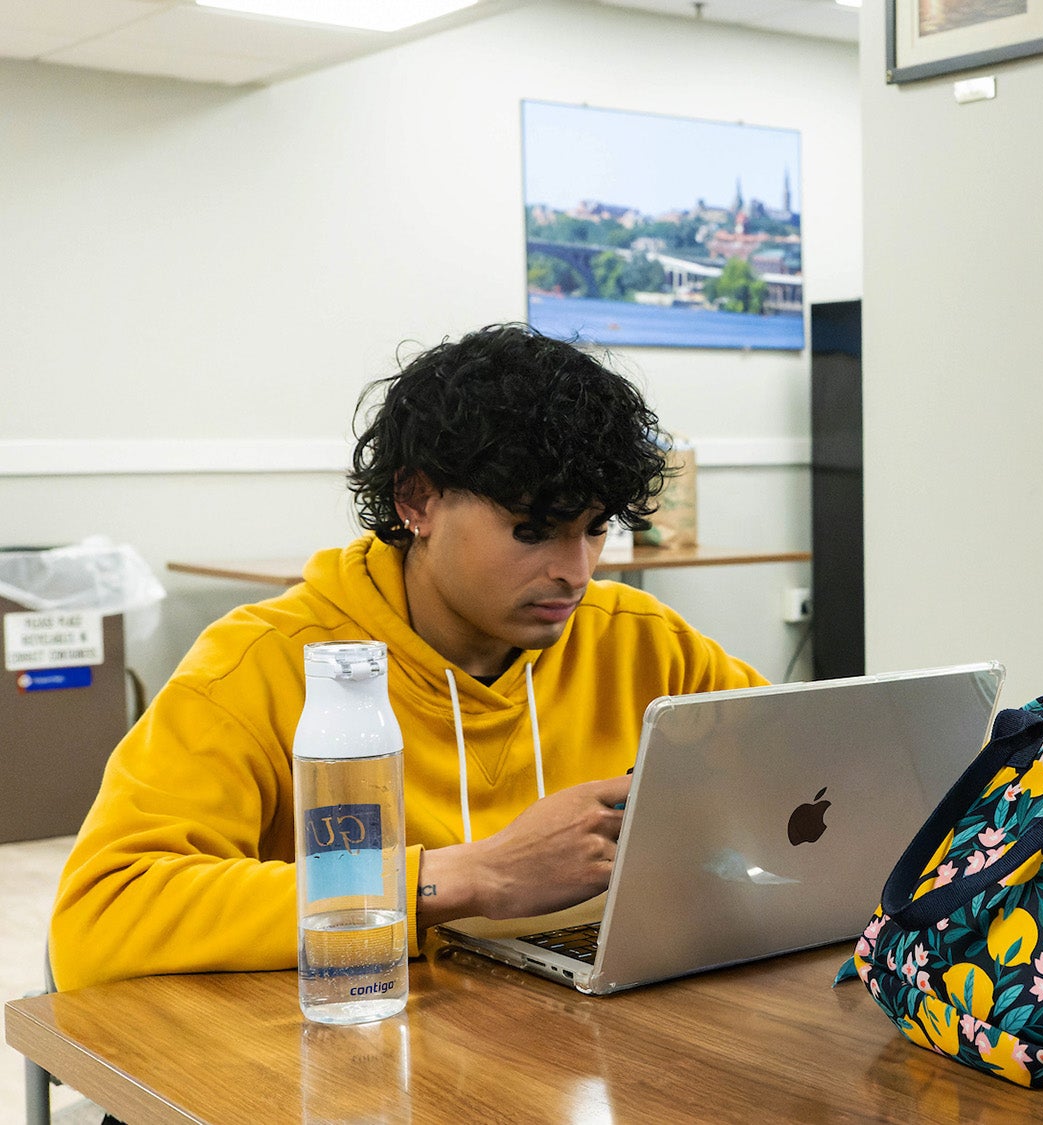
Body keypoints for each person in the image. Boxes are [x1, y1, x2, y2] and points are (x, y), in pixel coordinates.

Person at [51, 325, 765, 990]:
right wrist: (468, 874)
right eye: (533, 530)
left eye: (595, 528)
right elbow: (101, 916)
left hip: (571, 1049)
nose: (575, 571)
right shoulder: (259, 664)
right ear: (416, 501)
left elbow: (802, 787)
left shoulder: (645, 641)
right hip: (345, 1050)